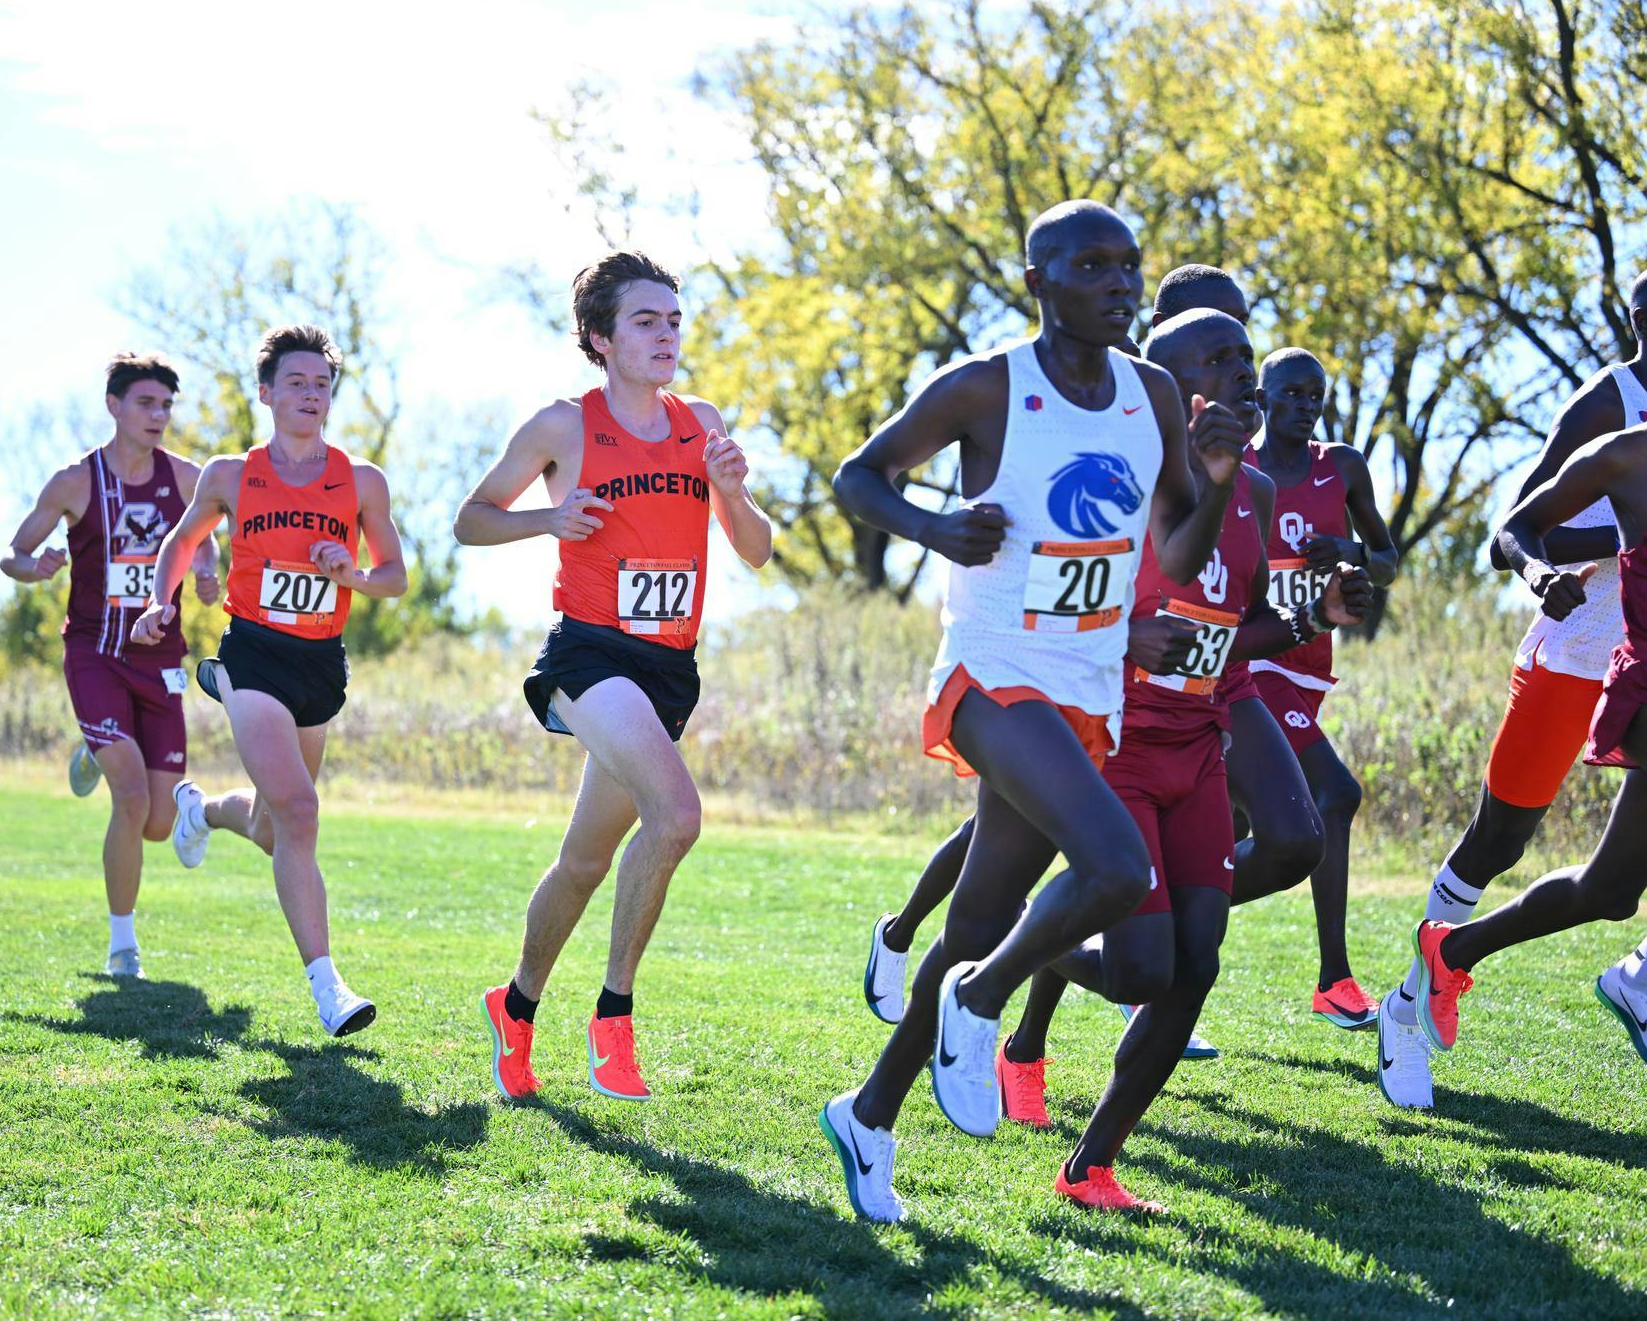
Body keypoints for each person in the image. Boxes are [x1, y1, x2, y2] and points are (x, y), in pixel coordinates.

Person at [818, 201, 1248, 1224]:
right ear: (1037, 280)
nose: (1117, 282)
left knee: (973, 919)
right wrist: (933, 525)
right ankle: (977, 997)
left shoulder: (1149, 393)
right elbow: (855, 477)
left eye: (1127, 266)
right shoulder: (985, 386)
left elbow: (1175, 548)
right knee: (1113, 867)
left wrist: (1220, 482)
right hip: (989, 674)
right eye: (1091, 265)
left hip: (1086, 683)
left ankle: (867, 1112)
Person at [865, 265, 1331, 1064]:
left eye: (1245, 346)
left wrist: (1310, 612)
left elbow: (1193, 580)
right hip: (1032, 671)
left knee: (1258, 858)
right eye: (1218, 351)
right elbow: (876, 479)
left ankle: (891, 1092)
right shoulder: (1067, 412)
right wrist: (939, 529)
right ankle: (974, 988)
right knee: (1050, 864)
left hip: (1193, 697)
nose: (1243, 372)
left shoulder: (1235, 479)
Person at [456, 251, 773, 1102]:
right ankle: (614, 1017)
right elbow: (469, 520)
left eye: (674, 318)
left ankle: (515, 1006)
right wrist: (549, 518)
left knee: (585, 862)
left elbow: (756, 548)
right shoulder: (565, 426)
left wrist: (733, 494)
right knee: (677, 817)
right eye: (645, 319)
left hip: (669, 668)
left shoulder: (699, 419)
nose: (667, 333)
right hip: (588, 656)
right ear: (600, 338)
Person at [1379, 265, 1647, 1103]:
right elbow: (1513, 529)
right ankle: (1407, 1002)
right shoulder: (1617, 426)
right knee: (1499, 838)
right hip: (1595, 660)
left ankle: (1453, 957)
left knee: (1611, 890)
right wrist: (1614, 536)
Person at [132, 324, 407, 1036]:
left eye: (322, 384)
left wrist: (351, 574)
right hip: (251, 656)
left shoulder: (361, 480)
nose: (311, 395)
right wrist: (163, 601)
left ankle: (202, 810)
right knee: (302, 812)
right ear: (267, 392)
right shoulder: (231, 474)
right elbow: (180, 541)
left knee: (270, 824)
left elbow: (394, 578)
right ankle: (329, 986)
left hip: (320, 662)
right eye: (296, 383)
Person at [1, 353, 220, 977]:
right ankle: (123, 946)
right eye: (146, 404)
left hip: (162, 661)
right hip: (95, 655)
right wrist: (34, 566)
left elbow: (206, 538)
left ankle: (91, 751)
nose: (158, 416)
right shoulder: (75, 481)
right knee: (128, 798)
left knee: (156, 822)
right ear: (114, 405)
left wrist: (205, 572)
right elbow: (13, 553)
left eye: (166, 406)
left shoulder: (185, 477)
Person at [1242, 348, 1399, 1026]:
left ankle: (1144, 932)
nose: (1308, 406)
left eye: (1317, 395)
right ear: (1264, 396)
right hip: (1254, 667)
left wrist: (1352, 551)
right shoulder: (1237, 470)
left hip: (1309, 670)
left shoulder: (1343, 465)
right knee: (1336, 794)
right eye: (1294, 393)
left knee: (1226, 830)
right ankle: (1335, 978)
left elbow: (1387, 559)